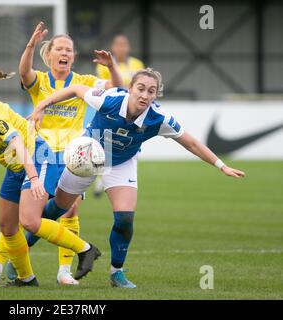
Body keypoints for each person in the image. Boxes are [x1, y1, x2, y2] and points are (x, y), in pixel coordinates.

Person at [29, 67, 246, 288]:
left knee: (125, 218)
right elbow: (75, 88)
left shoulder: (159, 118)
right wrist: (41, 106)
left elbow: (190, 142)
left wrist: (221, 165)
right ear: (130, 88)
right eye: (140, 88)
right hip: (87, 156)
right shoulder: (110, 100)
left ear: (156, 95)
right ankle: (21, 251)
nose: (145, 95)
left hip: (122, 163)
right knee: (56, 208)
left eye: (151, 91)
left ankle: (117, 272)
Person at [0, 21, 123, 286]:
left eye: (69, 49)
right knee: (20, 214)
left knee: (69, 212)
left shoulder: (84, 82)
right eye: (59, 48)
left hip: (71, 157)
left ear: (73, 56)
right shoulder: (41, 80)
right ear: (49, 55)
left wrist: (112, 67)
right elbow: (24, 73)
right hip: (38, 153)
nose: (65, 53)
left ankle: (64, 271)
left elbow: (117, 90)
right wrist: (31, 45)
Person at [0, 67, 101, 287]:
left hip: (37, 157)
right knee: (7, 225)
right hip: (17, 167)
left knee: (29, 221)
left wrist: (34, 178)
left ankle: (86, 249)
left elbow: (17, 142)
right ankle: (27, 279)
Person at [93, 34, 145, 198]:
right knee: (103, 145)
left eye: (124, 44)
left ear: (128, 47)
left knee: (127, 145)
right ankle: (100, 179)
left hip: (132, 114)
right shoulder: (105, 65)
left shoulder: (137, 64)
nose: (121, 48)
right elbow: (108, 87)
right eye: (118, 45)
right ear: (113, 48)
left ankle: (120, 179)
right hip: (111, 111)